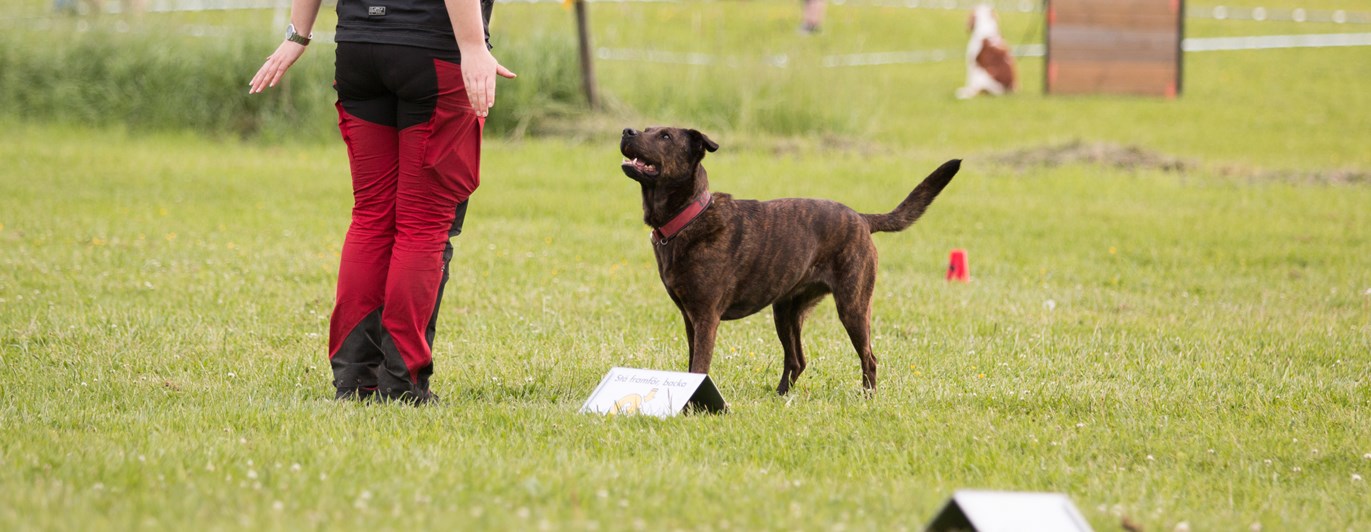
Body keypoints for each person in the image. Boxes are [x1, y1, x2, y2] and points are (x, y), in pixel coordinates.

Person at [249, 0, 516, 404]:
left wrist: (298, 34)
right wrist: (473, 46)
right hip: (433, 51)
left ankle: (355, 380)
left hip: (359, 47)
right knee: (423, 224)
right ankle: (402, 383)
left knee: (371, 217)